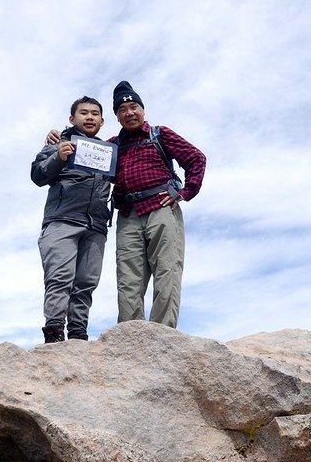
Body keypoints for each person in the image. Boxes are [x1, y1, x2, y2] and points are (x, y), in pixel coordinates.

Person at [45, 81, 206, 328]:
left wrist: (185, 192)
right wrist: (57, 137)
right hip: (128, 214)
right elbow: (78, 149)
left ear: (143, 110)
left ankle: (163, 335)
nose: (129, 112)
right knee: (128, 279)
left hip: (161, 207)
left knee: (167, 272)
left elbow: (196, 158)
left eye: (134, 107)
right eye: (122, 109)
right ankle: (132, 336)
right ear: (116, 117)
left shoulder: (160, 134)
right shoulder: (110, 147)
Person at [31, 96, 112, 343]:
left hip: (96, 226)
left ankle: (78, 335)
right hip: (62, 221)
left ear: (102, 120)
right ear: (72, 118)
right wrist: (59, 156)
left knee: (86, 283)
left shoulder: (109, 151)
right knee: (59, 279)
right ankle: (54, 334)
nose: (90, 117)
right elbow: (37, 175)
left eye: (95, 113)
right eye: (84, 113)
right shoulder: (57, 144)